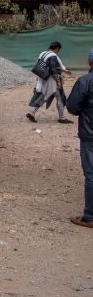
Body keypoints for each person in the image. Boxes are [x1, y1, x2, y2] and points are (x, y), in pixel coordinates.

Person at [65, 49, 93, 227]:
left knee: (91, 175)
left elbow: (73, 107)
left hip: (90, 134)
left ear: (90, 62)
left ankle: (90, 217)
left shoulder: (85, 82)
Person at [26, 41, 73, 123]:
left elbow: (44, 65)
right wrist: (58, 80)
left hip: (43, 77)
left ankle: (32, 112)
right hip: (51, 80)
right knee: (59, 97)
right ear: (57, 48)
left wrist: (64, 71)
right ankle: (61, 118)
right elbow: (53, 69)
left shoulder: (43, 53)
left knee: (44, 95)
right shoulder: (53, 56)